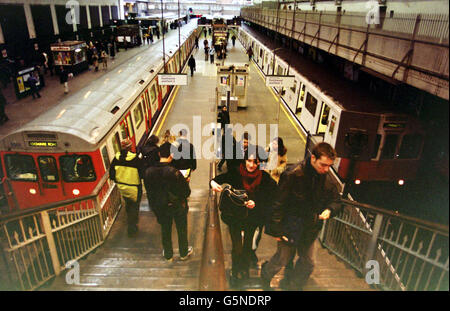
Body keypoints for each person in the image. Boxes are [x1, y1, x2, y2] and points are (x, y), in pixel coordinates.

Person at [261, 142, 341, 290]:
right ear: (313, 159)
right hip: (290, 227)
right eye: (323, 165)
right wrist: (275, 230)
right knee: (282, 259)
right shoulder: (293, 174)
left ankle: (293, 285)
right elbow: (278, 203)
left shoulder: (326, 178)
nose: (326, 169)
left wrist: (330, 209)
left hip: (310, 228)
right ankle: (265, 274)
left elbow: (336, 200)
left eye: (329, 166)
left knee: (308, 263)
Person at [211, 150, 277, 288]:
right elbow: (219, 179)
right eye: (249, 161)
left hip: (252, 219)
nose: (251, 165)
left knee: (247, 246)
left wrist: (256, 203)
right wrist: (213, 183)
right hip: (235, 217)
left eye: (255, 162)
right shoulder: (236, 172)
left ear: (260, 163)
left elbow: (272, 197)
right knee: (237, 247)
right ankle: (236, 272)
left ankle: (244, 270)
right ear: (244, 160)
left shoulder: (264, 178)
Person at [144, 142, 193, 262]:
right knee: (181, 229)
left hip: (160, 207)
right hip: (177, 206)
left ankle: (168, 255)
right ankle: (183, 253)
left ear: (159, 153)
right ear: (172, 155)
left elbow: (150, 193)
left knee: (165, 230)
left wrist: (154, 208)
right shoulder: (174, 172)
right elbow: (186, 192)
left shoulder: (148, 172)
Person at [109, 139, 144, 237]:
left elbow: (112, 175)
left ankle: (131, 220)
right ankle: (132, 228)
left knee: (128, 204)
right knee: (134, 206)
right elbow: (142, 174)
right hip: (134, 188)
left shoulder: (116, 159)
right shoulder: (136, 159)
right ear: (130, 147)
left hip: (122, 187)